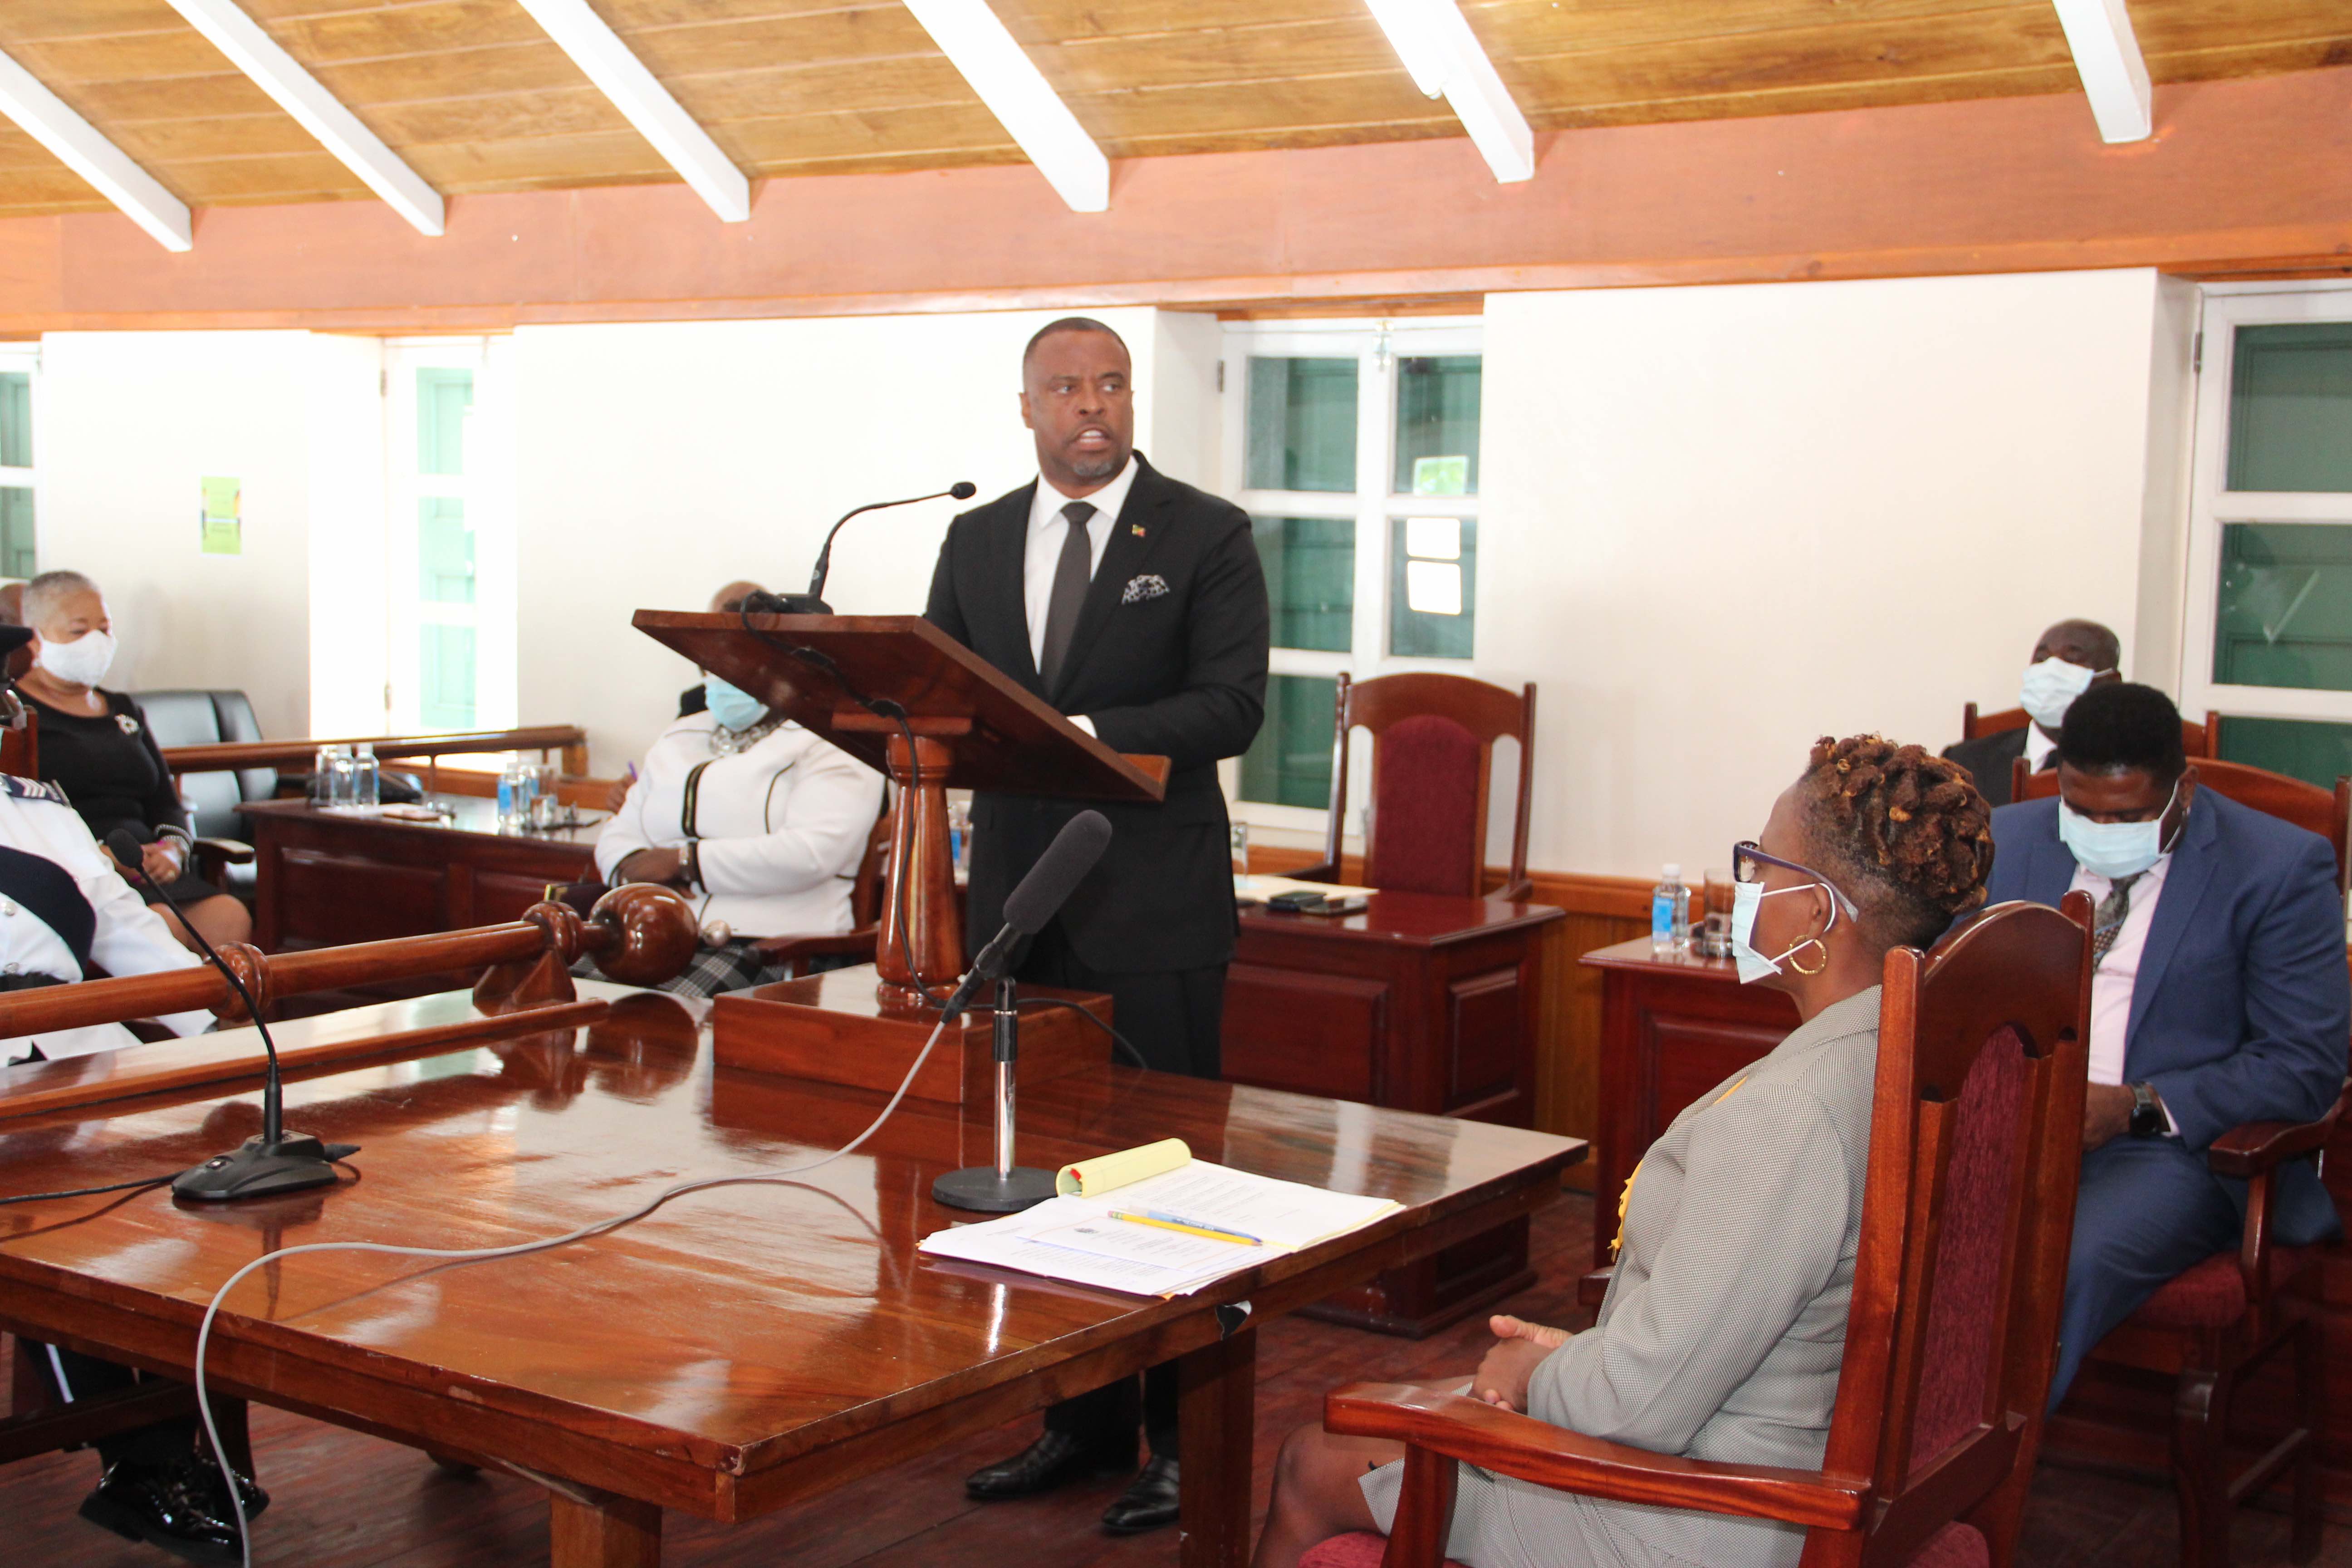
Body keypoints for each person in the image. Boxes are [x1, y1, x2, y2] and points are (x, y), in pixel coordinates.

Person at [1253, 736, 1994, 1568]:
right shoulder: (1922, 1052)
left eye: (1758, 863)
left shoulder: (1790, 1112)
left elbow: (1644, 1404)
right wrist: (1572, 1356)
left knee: (1311, 1458)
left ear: (1817, 911)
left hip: (1710, 1513)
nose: (1745, 887)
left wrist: (1531, 1376)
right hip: (1801, 1452)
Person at [926, 316, 1270, 1534]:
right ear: (1027, 406)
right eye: (1066, 387)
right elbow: (941, 696)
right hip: (1021, 902)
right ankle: (1079, 1421)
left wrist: (1080, 735)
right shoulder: (972, 539)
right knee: (1047, 1181)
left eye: (1111, 384)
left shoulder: (1202, 532)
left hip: (1155, 907)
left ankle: (1185, 1440)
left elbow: (1233, 707)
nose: (1093, 406)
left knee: (1171, 1185)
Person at [1984, 681, 2349, 1405]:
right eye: (2079, 809)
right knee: (1876, 1236)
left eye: (2125, 815)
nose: (2097, 827)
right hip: (2008, 1129)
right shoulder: (2008, 839)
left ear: (2185, 787)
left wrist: (2132, 1108)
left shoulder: (2278, 868)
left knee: (2052, 1263)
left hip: (2169, 1152)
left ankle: (1974, 1486)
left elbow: (2304, 1064)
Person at [0, 637, 262, 1566]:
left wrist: (214, 1013)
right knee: (61, 1207)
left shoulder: (37, 812)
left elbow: (124, 931)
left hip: (84, 1055)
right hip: (17, 1091)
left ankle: (181, 1438)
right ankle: (144, 1460)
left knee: (216, 1178)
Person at [592, 582, 885, 998]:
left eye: (738, 658)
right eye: (712, 661)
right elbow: (620, 831)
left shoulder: (834, 741)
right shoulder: (682, 734)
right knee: (557, 994)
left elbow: (811, 854)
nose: (721, 674)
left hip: (770, 948)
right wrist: (631, 865)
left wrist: (683, 861)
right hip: (654, 933)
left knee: (644, 1012)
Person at [12, 570, 252, 954]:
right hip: (82, 874)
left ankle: (217, 1017)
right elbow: (22, 819)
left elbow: (165, 800)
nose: (96, 641)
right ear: (36, 637)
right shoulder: (16, 714)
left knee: (227, 914)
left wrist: (174, 849)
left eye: (104, 629)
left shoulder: (123, 709)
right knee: (162, 924)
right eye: (78, 631)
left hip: (153, 871)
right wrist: (102, 858)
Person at [1941, 617, 2119, 808]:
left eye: (2071, 660)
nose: (2049, 671)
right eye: (2041, 659)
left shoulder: (2128, 768)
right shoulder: (1964, 760)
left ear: (2111, 682)